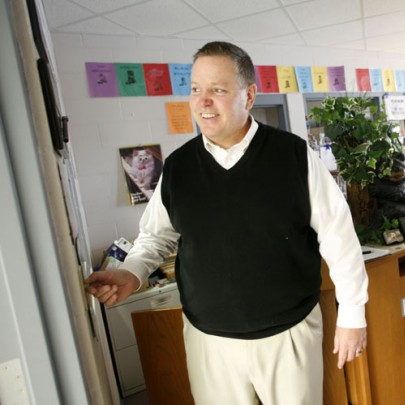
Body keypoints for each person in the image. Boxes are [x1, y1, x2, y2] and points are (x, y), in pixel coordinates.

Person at [85, 41, 368, 405]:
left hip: (289, 334)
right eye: (197, 90)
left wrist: (352, 314)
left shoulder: (293, 156)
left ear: (249, 96)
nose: (203, 102)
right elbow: (155, 236)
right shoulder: (178, 168)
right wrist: (132, 272)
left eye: (217, 90)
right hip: (209, 341)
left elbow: (338, 236)